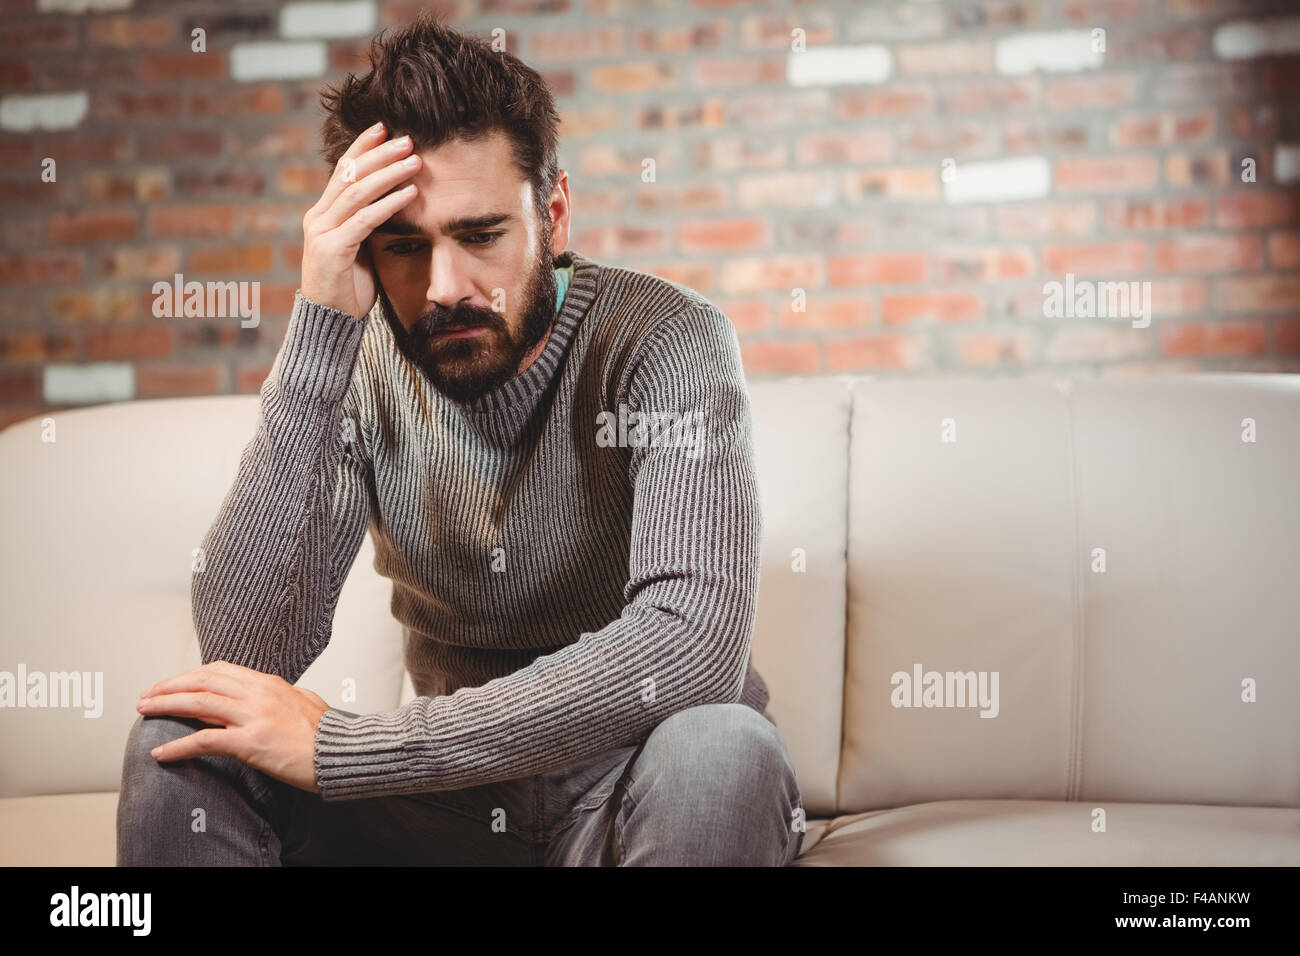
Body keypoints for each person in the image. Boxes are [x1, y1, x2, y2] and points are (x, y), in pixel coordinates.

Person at [117, 11, 803, 867]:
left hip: (636, 789)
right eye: (405, 247)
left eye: (480, 236)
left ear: (552, 212)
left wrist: (353, 751)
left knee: (722, 749)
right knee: (180, 738)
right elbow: (245, 653)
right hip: (442, 815)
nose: (445, 287)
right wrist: (319, 331)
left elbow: (690, 645)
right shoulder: (364, 362)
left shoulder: (665, 341)